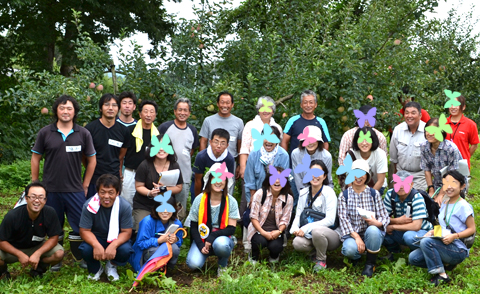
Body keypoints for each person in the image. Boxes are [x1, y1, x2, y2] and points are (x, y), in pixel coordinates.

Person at [31, 95, 96, 268]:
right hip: (50, 189)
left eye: (69, 108)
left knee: (80, 224)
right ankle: (56, 259)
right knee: (53, 225)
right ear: (56, 111)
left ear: (75, 112)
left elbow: (92, 160)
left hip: (75, 189)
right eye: (62, 108)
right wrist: (35, 183)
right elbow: (35, 158)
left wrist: (86, 184)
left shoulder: (83, 133)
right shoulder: (45, 132)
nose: (65, 111)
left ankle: (79, 257)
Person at [409, 171, 476, 286]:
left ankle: (442, 275)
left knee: (426, 243)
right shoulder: (445, 203)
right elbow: (444, 226)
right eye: (446, 184)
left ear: (462, 186)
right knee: (413, 258)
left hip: (458, 248)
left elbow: (472, 229)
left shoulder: (464, 206)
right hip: (444, 243)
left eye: (453, 183)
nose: (449, 187)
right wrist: (433, 232)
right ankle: (445, 264)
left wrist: (455, 236)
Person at [0, 182, 64, 279]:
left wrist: (38, 253)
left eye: (41, 197)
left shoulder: (50, 213)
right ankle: (3, 272)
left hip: (36, 246)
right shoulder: (13, 216)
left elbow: (54, 237)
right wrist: (19, 254)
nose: (37, 200)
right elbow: (1, 241)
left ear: (45, 200)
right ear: (26, 198)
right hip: (13, 248)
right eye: (33, 197)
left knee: (59, 253)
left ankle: (38, 270)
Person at [185, 163, 240, 276]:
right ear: (209, 180)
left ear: (226, 182)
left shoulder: (231, 201)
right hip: (202, 237)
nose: (218, 182)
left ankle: (222, 264)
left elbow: (231, 228)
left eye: (222, 179)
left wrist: (212, 237)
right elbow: (194, 227)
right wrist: (201, 245)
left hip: (220, 237)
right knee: (193, 264)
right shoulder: (199, 199)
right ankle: (204, 252)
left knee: (221, 244)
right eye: (215, 177)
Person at [337, 159, 390, 277]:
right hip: (353, 234)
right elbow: (344, 220)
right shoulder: (344, 196)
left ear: (367, 176)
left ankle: (370, 263)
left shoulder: (373, 194)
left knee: (372, 230)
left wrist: (377, 223)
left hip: (372, 234)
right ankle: (360, 254)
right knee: (349, 250)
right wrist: (356, 237)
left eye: (362, 174)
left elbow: (384, 216)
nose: (359, 177)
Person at [79, 174, 134, 281]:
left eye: (111, 192)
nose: (106, 196)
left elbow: (126, 232)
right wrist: (96, 245)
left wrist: (114, 245)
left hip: (116, 237)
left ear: (117, 193)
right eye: (103, 192)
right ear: (98, 192)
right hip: (97, 238)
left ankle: (112, 265)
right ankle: (95, 268)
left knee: (126, 250)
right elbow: (84, 230)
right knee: (85, 249)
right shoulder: (89, 205)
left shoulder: (124, 206)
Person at [291, 160, 340, 271]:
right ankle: (315, 253)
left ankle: (321, 260)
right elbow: (298, 214)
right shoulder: (304, 192)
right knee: (297, 242)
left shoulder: (329, 192)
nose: (315, 176)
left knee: (317, 231)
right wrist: (294, 229)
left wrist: (307, 227)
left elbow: (330, 220)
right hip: (310, 234)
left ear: (324, 176)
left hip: (330, 234)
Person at [158, 98, 199, 220]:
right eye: (180, 110)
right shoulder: (165, 127)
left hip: (184, 176)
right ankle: (161, 235)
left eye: (185, 110)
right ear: (175, 111)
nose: (182, 113)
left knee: (180, 209)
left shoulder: (192, 130)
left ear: (189, 113)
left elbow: (191, 151)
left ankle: (178, 234)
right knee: (162, 206)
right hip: (165, 175)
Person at [133, 134, 183, 231]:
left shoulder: (174, 165)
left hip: (165, 205)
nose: (161, 149)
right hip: (144, 205)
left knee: (166, 232)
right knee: (143, 229)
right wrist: (149, 193)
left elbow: (179, 187)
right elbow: (138, 186)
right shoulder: (144, 165)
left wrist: (163, 189)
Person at [85, 93, 130, 198]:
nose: (110, 108)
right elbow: (84, 156)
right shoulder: (90, 129)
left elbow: (121, 156)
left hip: (114, 179)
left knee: (113, 212)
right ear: (101, 108)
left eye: (114, 105)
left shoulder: (124, 131)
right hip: (93, 179)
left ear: (118, 108)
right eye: (107, 104)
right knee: (92, 210)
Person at [247, 166, 294, 264]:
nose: (277, 181)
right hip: (259, 229)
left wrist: (279, 231)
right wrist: (263, 233)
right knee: (260, 241)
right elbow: (253, 216)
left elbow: (285, 220)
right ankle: (253, 257)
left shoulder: (288, 198)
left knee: (276, 247)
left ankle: (274, 256)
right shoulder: (260, 193)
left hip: (276, 230)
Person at [199, 91, 244, 191]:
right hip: (210, 161)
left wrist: (240, 164)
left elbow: (240, 144)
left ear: (232, 105)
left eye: (227, 102)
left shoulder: (239, 122)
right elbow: (203, 141)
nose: (225, 105)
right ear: (217, 104)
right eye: (222, 102)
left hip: (230, 162)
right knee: (209, 189)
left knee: (227, 191)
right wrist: (202, 159)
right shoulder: (208, 120)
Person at [383, 171, 433, 257]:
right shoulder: (390, 194)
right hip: (402, 228)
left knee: (408, 236)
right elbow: (382, 218)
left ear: (411, 184)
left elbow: (416, 226)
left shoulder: (416, 197)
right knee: (380, 229)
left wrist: (393, 226)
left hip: (421, 230)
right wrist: (397, 220)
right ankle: (395, 251)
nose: (401, 186)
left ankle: (423, 251)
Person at [131, 195, 184, 272]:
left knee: (175, 248)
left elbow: (179, 242)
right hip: (146, 253)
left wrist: (176, 240)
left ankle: (166, 269)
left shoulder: (177, 223)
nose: (165, 211)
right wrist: (158, 240)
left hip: (165, 249)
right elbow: (141, 243)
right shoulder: (147, 221)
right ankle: (150, 270)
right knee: (155, 250)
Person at [123, 100, 159, 207]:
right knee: (127, 203)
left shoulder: (158, 135)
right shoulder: (130, 131)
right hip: (130, 172)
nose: (148, 115)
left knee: (147, 204)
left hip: (149, 175)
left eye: (152, 112)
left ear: (155, 115)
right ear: (140, 114)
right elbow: (122, 154)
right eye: (146, 111)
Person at [421, 117, 463, 205]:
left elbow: (453, 175)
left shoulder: (451, 149)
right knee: (427, 203)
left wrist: (441, 194)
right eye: (428, 130)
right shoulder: (424, 147)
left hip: (454, 183)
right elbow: (426, 169)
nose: (430, 133)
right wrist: (431, 189)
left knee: (442, 204)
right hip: (437, 183)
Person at [244, 126, 289, 203]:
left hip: (277, 196)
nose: (269, 141)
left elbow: (283, 179)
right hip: (256, 194)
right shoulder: (254, 154)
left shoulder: (283, 155)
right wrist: (254, 198)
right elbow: (249, 178)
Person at [390, 101, 427, 190]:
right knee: (400, 200)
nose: (409, 116)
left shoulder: (427, 131)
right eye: (407, 113)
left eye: (413, 113)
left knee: (417, 200)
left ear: (420, 115)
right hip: (401, 173)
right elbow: (394, 157)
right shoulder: (398, 130)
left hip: (420, 176)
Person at [191, 128, 235, 202]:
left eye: (223, 143)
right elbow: (198, 180)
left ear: (227, 145)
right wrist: (198, 200)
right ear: (210, 142)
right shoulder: (202, 156)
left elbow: (227, 181)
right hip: (200, 185)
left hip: (219, 186)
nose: (219, 146)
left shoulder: (229, 159)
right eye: (216, 142)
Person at [291, 126, 334, 197]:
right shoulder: (296, 154)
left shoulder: (326, 156)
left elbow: (327, 179)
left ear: (318, 141)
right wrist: (305, 196)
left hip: (322, 190)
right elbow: (298, 178)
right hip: (302, 190)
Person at [350, 126, 388, 194]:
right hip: (357, 185)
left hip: (376, 185)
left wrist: (369, 196)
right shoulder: (351, 154)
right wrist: (353, 194)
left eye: (367, 139)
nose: (364, 143)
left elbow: (380, 181)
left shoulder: (380, 154)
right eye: (361, 139)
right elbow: (349, 178)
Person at [445, 94, 479, 170]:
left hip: (462, 166)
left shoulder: (471, 124)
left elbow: (474, 145)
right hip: (445, 164)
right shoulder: (442, 123)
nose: (453, 107)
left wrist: (465, 156)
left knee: (461, 182)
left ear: (463, 107)